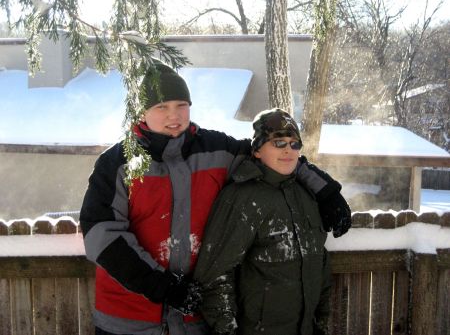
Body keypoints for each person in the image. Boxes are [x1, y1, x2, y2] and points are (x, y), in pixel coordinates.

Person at [80, 60, 350, 335]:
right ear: (142, 112)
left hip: (194, 322)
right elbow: (102, 236)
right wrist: (162, 286)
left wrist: (326, 192)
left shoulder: (216, 150)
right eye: (162, 107)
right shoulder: (117, 163)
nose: (173, 115)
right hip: (129, 320)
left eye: (181, 105)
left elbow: (273, 154)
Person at [194, 108, 332, 335]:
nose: (288, 150)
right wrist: (227, 330)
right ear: (257, 150)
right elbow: (214, 274)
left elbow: (321, 263)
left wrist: (321, 322)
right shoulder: (242, 199)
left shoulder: (305, 195)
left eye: (295, 144)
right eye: (278, 142)